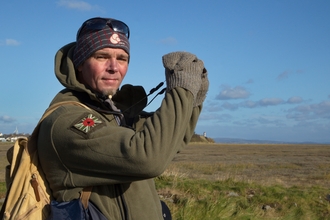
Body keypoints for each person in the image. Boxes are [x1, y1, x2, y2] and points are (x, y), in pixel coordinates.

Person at [37, 17, 209, 220]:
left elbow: (173, 140)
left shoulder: (113, 115)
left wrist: (196, 93)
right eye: (101, 56)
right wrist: (181, 88)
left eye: (122, 58)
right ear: (80, 63)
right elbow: (149, 159)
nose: (113, 67)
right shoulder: (66, 121)